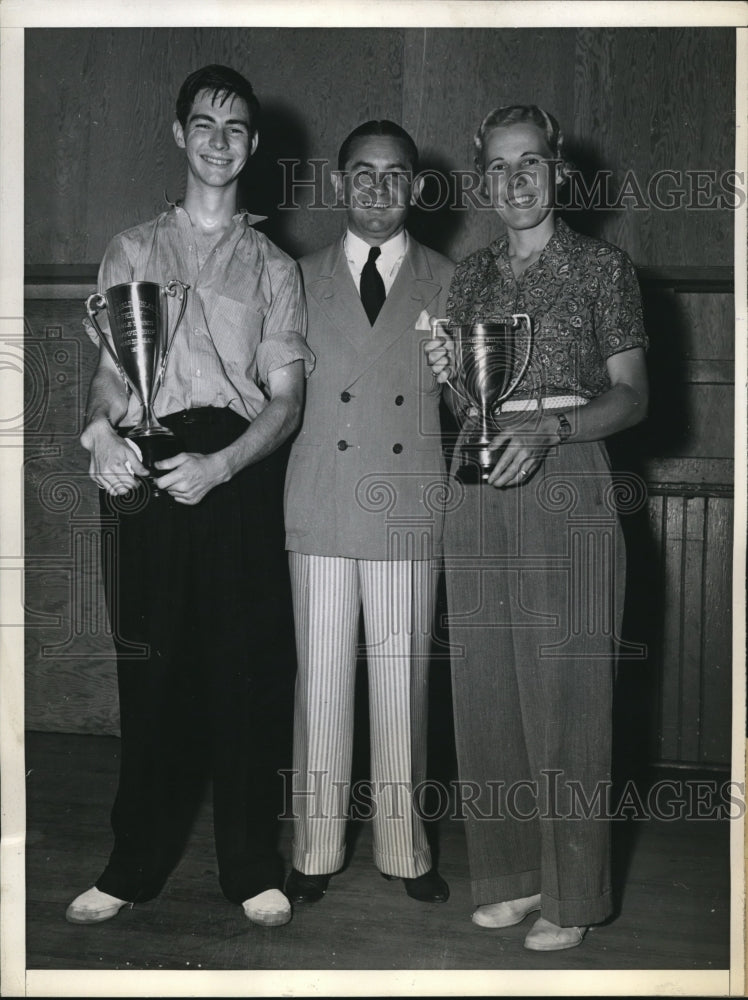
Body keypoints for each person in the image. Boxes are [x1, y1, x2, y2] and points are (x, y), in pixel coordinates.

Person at [66, 64, 314, 928]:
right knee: (152, 673)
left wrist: (225, 466)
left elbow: (284, 403)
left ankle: (251, 868)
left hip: (236, 471)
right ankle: (131, 866)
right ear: (179, 135)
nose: (219, 141)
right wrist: (98, 434)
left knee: (244, 677)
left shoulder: (277, 267)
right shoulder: (131, 248)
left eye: (236, 128)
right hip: (146, 465)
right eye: (204, 124)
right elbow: (109, 377)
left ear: (253, 144)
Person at [425, 105, 648, 950]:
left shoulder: (603, 268)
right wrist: (449, 377)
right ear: (482, 176)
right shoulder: (471, 275)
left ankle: (574, 897)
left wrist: (550, 432)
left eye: (530, 163)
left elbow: (634, 396)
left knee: (571, 689)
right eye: (497, 166)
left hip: (569, 470)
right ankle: (514, 877)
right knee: (484, 682)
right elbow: (466, 401)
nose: (513, 181)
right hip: (480, 472)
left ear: (558, 169)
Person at [283, 121, 454, 904]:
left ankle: (404, 849)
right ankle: (314, 850)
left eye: (395, 175)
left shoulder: (454, 280)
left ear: (416, 187)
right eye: (363, 173)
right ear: (338, 183)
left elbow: (470, 400)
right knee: (319, 685)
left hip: (409, 503)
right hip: (321, 502)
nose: (379, 189)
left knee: (402, 686)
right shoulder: (294, 276)